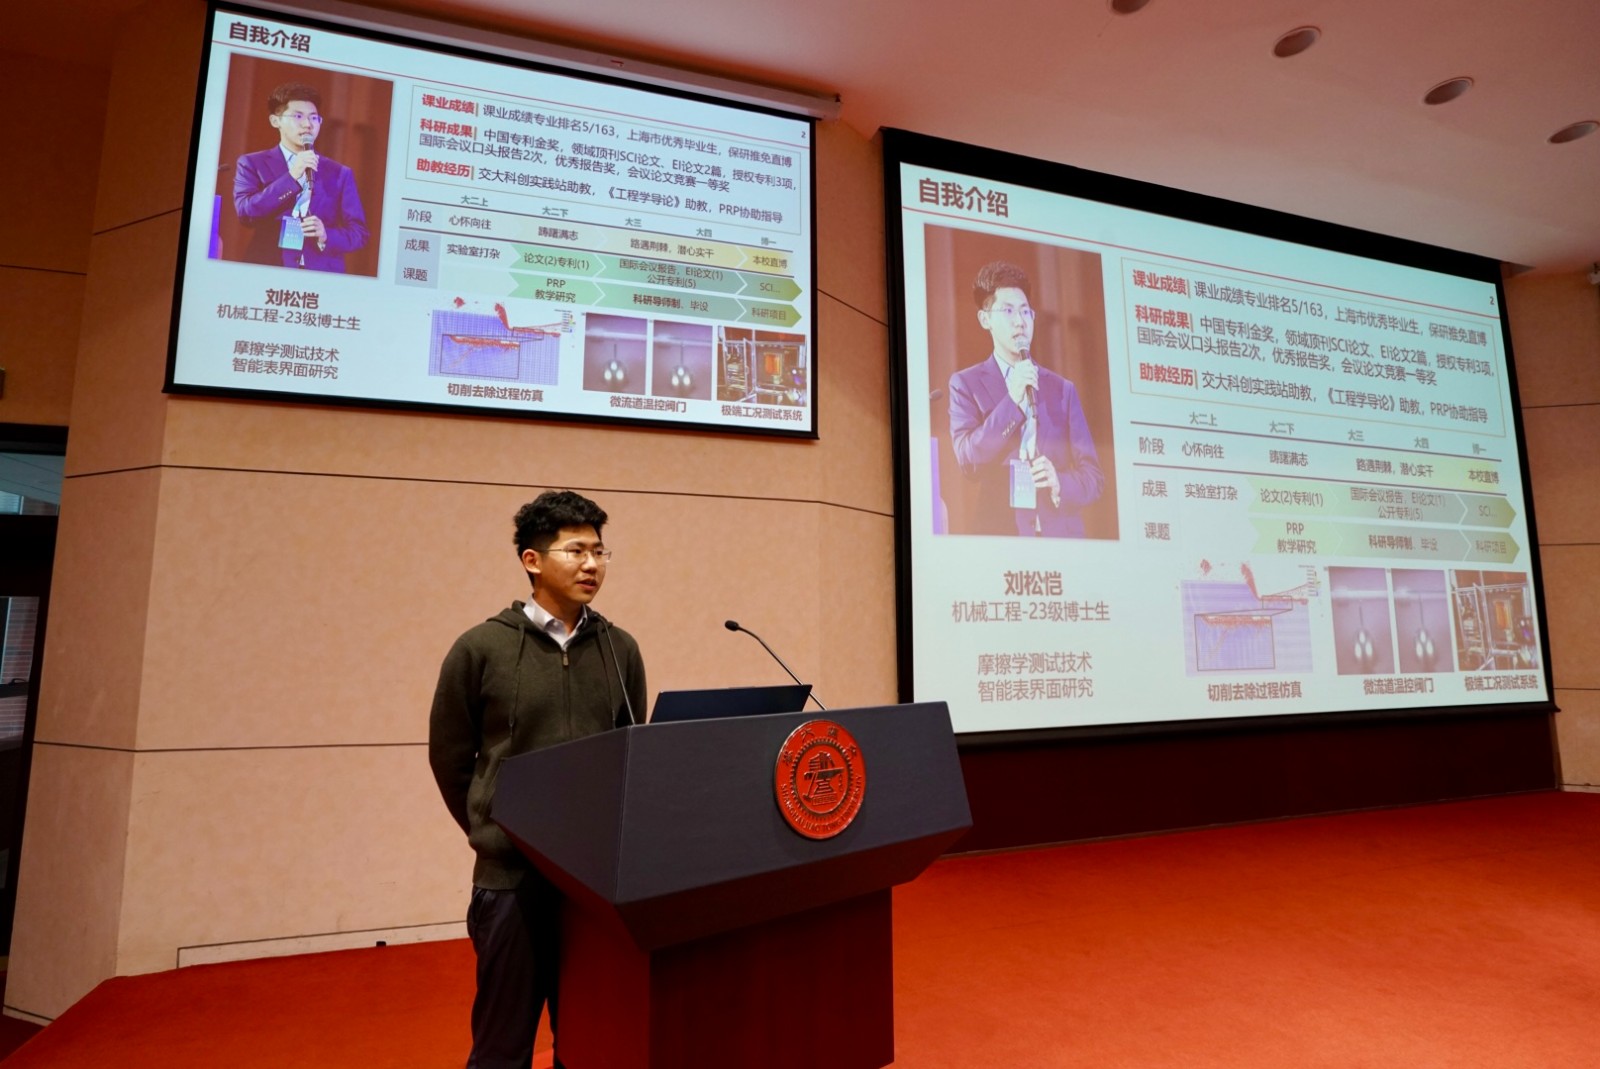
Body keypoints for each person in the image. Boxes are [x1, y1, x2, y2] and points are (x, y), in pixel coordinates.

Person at [429, 490, 647, 1069]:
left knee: (591, 1036)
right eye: (575, 551)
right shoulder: (481, 648)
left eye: (599, 551)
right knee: (502, 1044)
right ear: (532, 560)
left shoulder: (619, 649)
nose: (591, 564)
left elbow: (631, 750)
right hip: (512, 878)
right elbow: (450, 758)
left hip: (594, 882)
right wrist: (493, 825)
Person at [948, 261, 1105, 537]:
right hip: (1000, 537)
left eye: (1025, 311)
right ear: (985, 319)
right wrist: (1013, 400)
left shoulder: (1062, 389)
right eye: (1008, 311)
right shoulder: (965, 385)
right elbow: (969, 462)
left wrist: (1060, 482)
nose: (1020, 321)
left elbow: (1094, 478)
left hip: (1060, 539)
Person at [232, 81, 368, 271]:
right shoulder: (252, 163)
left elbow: (359, 233)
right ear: (275, 121)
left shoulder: (339, 173)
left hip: (321, 272)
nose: (307, 124)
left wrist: (325, 234)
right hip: (268, 266)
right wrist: (292, 176)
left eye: (314, 118)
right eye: (298, 116)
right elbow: (246, 214)